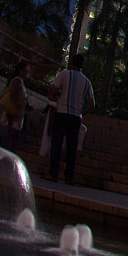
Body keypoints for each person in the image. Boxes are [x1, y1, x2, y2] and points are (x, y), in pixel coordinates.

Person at [47, 53, 95, 184]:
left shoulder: (64, 74)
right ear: (82, 65)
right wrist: (82, 113)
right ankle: (68, 176)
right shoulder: (86, 82)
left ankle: (53, 173)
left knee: (56, 143)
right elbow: (92, 103)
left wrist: (56, 98)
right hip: (76, 116)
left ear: (72, 62)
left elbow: (53, 89)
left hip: (62, 112)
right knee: (72, 147)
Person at [0, 62, 28, 150]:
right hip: (15, 113)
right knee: (12, 135)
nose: (27, 74)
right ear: (20, 71)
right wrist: (17, 108)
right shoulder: (17, 81)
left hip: (17, 112)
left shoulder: (19, 81)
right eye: (25, 71)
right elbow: (13, 95)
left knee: (12, 135)